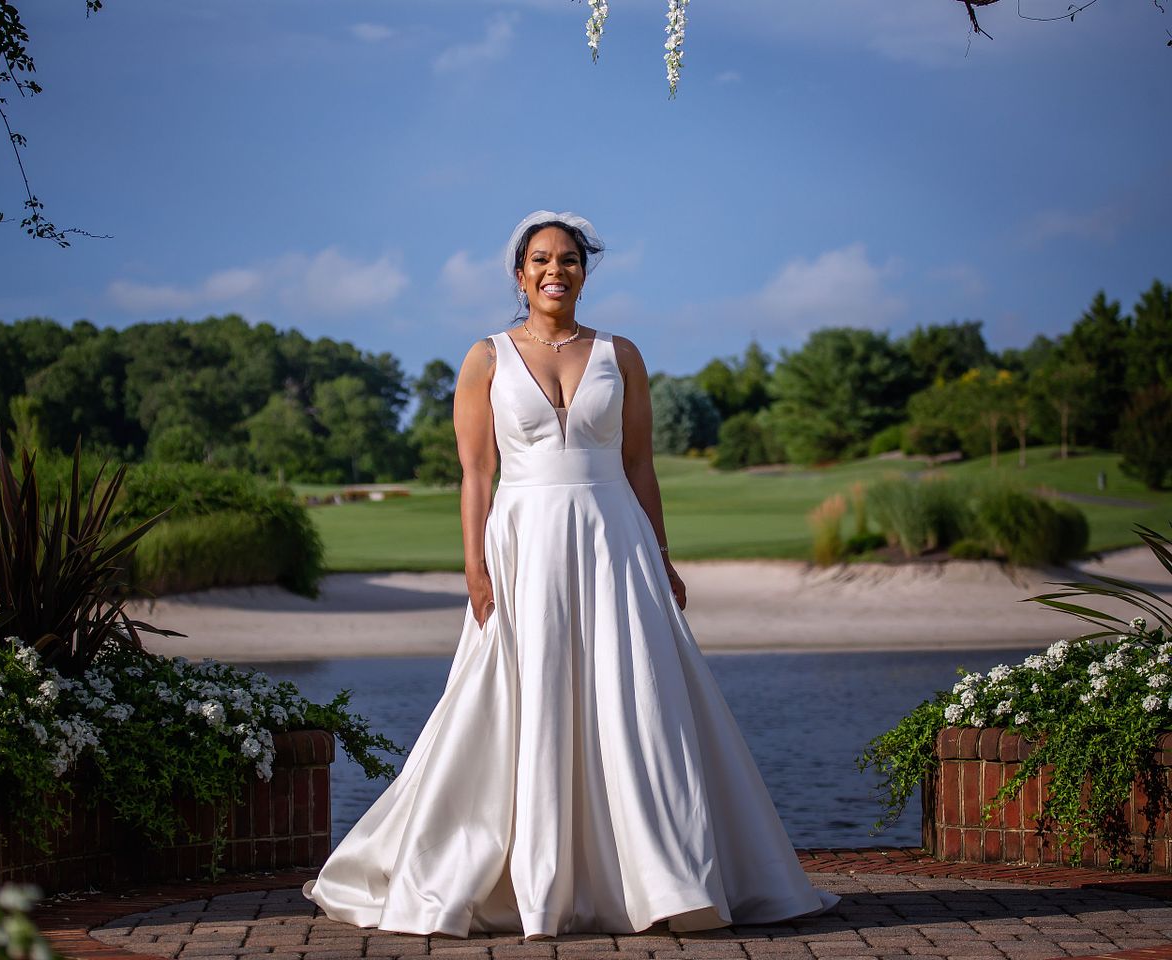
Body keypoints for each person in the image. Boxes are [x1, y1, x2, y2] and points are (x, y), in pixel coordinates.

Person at [302, 210, 839, 939]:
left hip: (614, 542)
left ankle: (659, 877)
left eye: (569, 260)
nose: (556, 270)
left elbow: (639, 464)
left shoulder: (622, 354)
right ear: (519, 274)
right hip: (523, 542)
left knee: (637, 700)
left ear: (585, 272)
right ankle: (512, 878)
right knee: (519, 698)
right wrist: (474, 563)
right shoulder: (485, 358)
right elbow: (475, 472)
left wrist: (662, 551)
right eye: (541, 260)